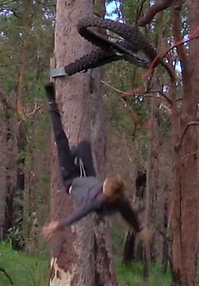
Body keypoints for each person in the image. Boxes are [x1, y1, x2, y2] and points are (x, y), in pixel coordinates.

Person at [42, 82, 152, 242]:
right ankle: (73, 152)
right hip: (87, 177)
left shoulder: (96, 202)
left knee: (61, 140)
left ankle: (51, 101)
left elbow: (77, 215)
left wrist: (57, 225)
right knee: (84, 146)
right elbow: (130, 216)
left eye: (105, 183)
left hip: (71, 181)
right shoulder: (121, 199)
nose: (104, 181)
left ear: (106, 189)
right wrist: (139, 230)